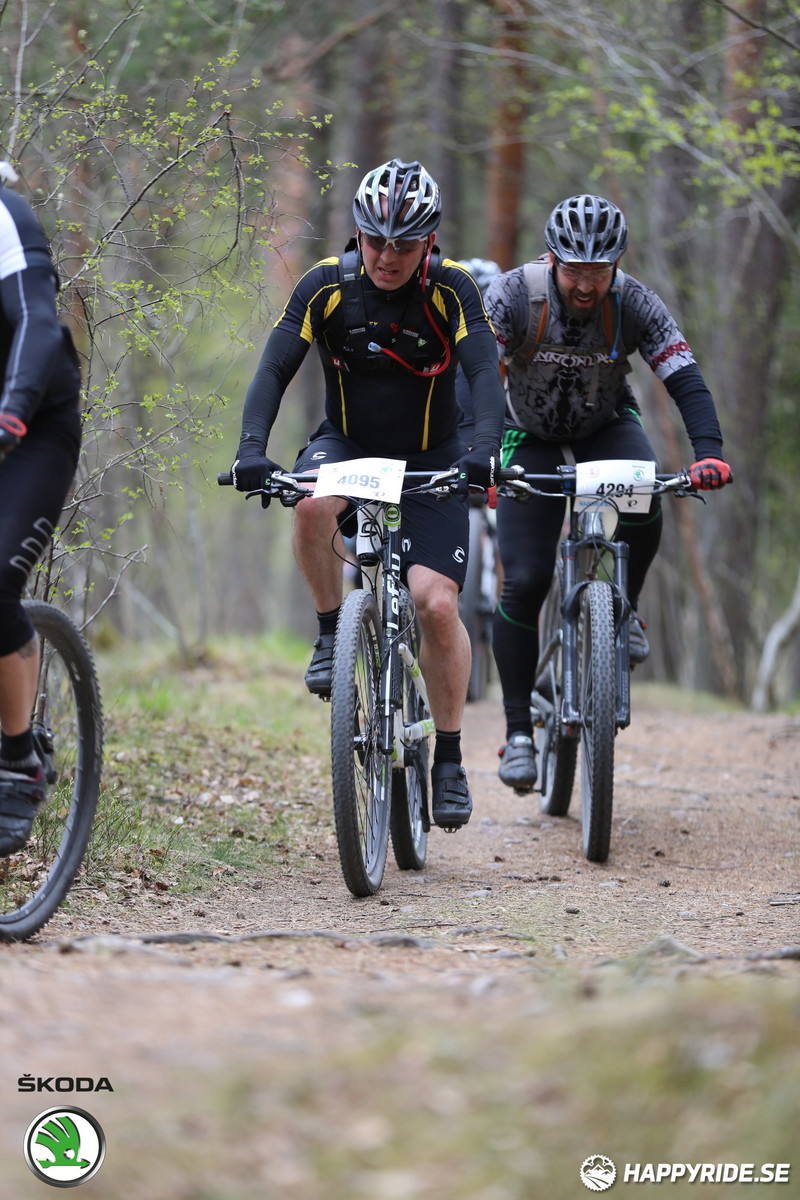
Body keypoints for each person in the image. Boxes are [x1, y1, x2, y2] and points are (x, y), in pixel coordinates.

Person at [231, 159, 506, 830]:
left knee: (436, 603)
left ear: (430, 241)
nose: (387, 256)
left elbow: (482, 371)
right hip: (348, 446)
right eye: (375, 240)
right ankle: (332, 634)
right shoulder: (324, 286)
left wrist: (484, 452)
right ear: (359, 231)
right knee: (309, 502)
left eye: (404, 244)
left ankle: (446, 758)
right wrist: (250, 449)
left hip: (434, 458)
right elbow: (274, 367)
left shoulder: (453, 290)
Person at [484, 194, 732, 793]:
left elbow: (683, 377)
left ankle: (624, 611)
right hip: (527, 433)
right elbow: (475, 377)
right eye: (575, 271)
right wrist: (484, 455)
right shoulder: (514, 295)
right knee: (524, 576)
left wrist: (709, 453)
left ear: (617, 265)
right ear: (553, 259)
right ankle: (519, 732)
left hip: (605, 426)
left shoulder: (636, 303)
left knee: (645, 493)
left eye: (600, 271)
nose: (587, 284)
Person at [0, 162, 83, 855]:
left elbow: (37, 322)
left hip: (33, 424)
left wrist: (12, 413)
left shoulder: (7, 216)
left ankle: (18, 756)